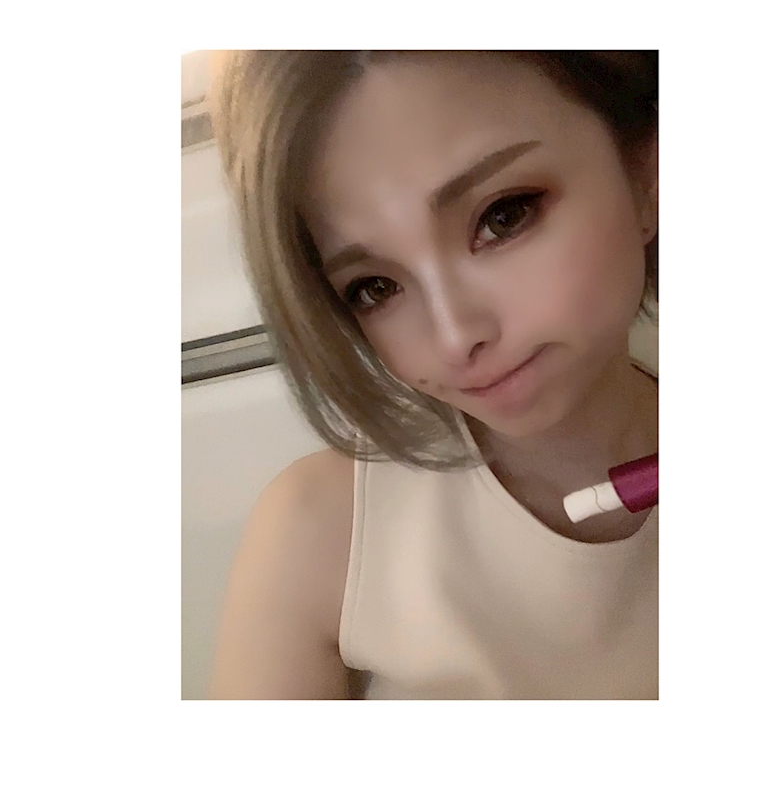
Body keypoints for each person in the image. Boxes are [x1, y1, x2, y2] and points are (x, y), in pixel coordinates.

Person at [207, 51, 659, 700]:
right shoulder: (317, 535)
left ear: (645, 171)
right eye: (375, 286)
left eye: (503, 216)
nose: (454, 336)